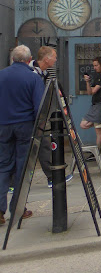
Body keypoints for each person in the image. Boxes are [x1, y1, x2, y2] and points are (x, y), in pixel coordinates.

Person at [0, 45, 45, 224]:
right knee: (22, 167)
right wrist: (39, 127)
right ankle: (18, 208)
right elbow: (39, 107)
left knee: (3, 166)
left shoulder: (1, 75)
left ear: (12, 59)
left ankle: (0, 210)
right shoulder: (33, 78)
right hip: (25, 126)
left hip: (3, 125)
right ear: (29, 60)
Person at [31, 46, 73, 187]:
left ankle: (52, 177)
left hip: (39, 117)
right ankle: (12, 183)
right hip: (28, 117)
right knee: (29, 147)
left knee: (43, 145)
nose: (55, 60)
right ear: (46, 59)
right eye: (54, 57)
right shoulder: (31, 73)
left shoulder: (45, 74)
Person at [80, 57, 101, 154]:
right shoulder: (97, 76)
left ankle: (98, 152)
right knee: (98, 129)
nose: (94, 68)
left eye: (96, 65)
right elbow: (90, 92)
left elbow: (94, 91)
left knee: (97, 130)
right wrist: (87, 82)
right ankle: (98, 152)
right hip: (95, 105)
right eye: (93, 65)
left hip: (99, 105)